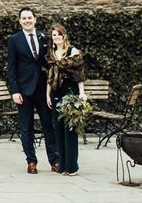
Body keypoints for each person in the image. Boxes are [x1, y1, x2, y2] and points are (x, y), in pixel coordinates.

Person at [7, 7, 59, 174]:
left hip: (44, 90)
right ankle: (31, 161)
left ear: (35, 19)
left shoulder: (45, 36)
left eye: (30, 17)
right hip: (23, 90)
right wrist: (14, 90)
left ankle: (55, 160)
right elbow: (11, 68)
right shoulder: (14, 40)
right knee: (26, 127)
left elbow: (51, 62)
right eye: (24, 18)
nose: (27, 20)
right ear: (20, 21)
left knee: (48, 125)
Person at [45, 23, 87, 176]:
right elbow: (49, 77)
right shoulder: (51, 54)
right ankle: (62, 166)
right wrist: (47, 94)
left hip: (70, 92)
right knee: (59, 129)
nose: (56, 37)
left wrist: (82, 93)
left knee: (70, 130)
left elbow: (79, 74)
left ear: (64, 36)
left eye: (58, 34)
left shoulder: (72, 51)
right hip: (56, 91)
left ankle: (72, 167)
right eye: (53, 35)